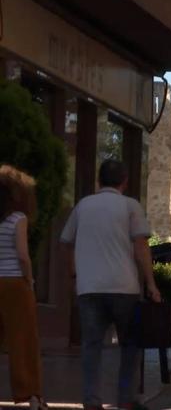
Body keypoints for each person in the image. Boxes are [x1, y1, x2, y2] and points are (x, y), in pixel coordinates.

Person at [60, 160, 161, 410]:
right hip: (123, 287)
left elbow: (66, 241)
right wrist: (151, 283)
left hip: (89, 288)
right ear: (124, 181)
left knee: (91, 346)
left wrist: (74, 273)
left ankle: (92, 401)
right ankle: (125, 399)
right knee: (129, 344)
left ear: (98, 181)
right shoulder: (130, 207)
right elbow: (141, 246)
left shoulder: (83, 206)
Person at [0, 165, 48, 410]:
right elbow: (22, 254)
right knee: (24, 340)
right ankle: (31, 395)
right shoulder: (18, 219)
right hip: (14, 283)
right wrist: (29, 280)